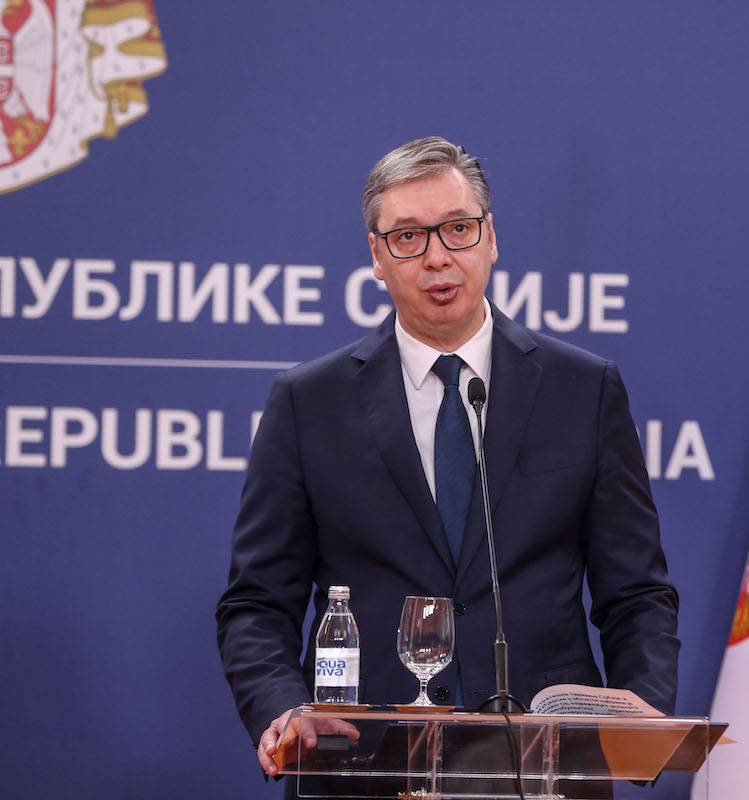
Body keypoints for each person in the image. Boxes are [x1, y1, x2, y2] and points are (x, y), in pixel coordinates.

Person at [215, 136, 680, 782]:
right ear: (377, 257)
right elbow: (257, 604)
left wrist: (643, 720)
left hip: (541, 773)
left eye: (458, 229)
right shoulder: (308, 404)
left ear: (491, 238)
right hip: (367, 770)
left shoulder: (583, 391)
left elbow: (636, 593)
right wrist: (285, 708)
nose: (438, 257)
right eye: (409, 237)